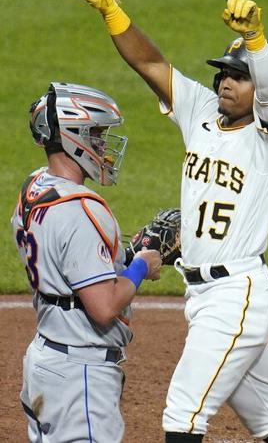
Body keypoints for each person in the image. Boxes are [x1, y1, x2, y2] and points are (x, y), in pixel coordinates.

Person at [68, 0, 268, 443]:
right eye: (225, 72)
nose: (227, 81)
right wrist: (111, 11)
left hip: (238, 296)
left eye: (240, 75)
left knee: (183, 415)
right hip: (201, 295)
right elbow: (150, 64)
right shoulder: (203, 114)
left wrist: (256, 41)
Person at [11, 81, 162, 442]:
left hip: (46, 357)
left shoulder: (34, 188)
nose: (102, 145)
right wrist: (140, 266)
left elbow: (63, 258)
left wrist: (125, 253)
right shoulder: (81, 209)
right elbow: (104, 307)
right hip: (79, 374)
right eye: (95, 134)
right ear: (72, 136)